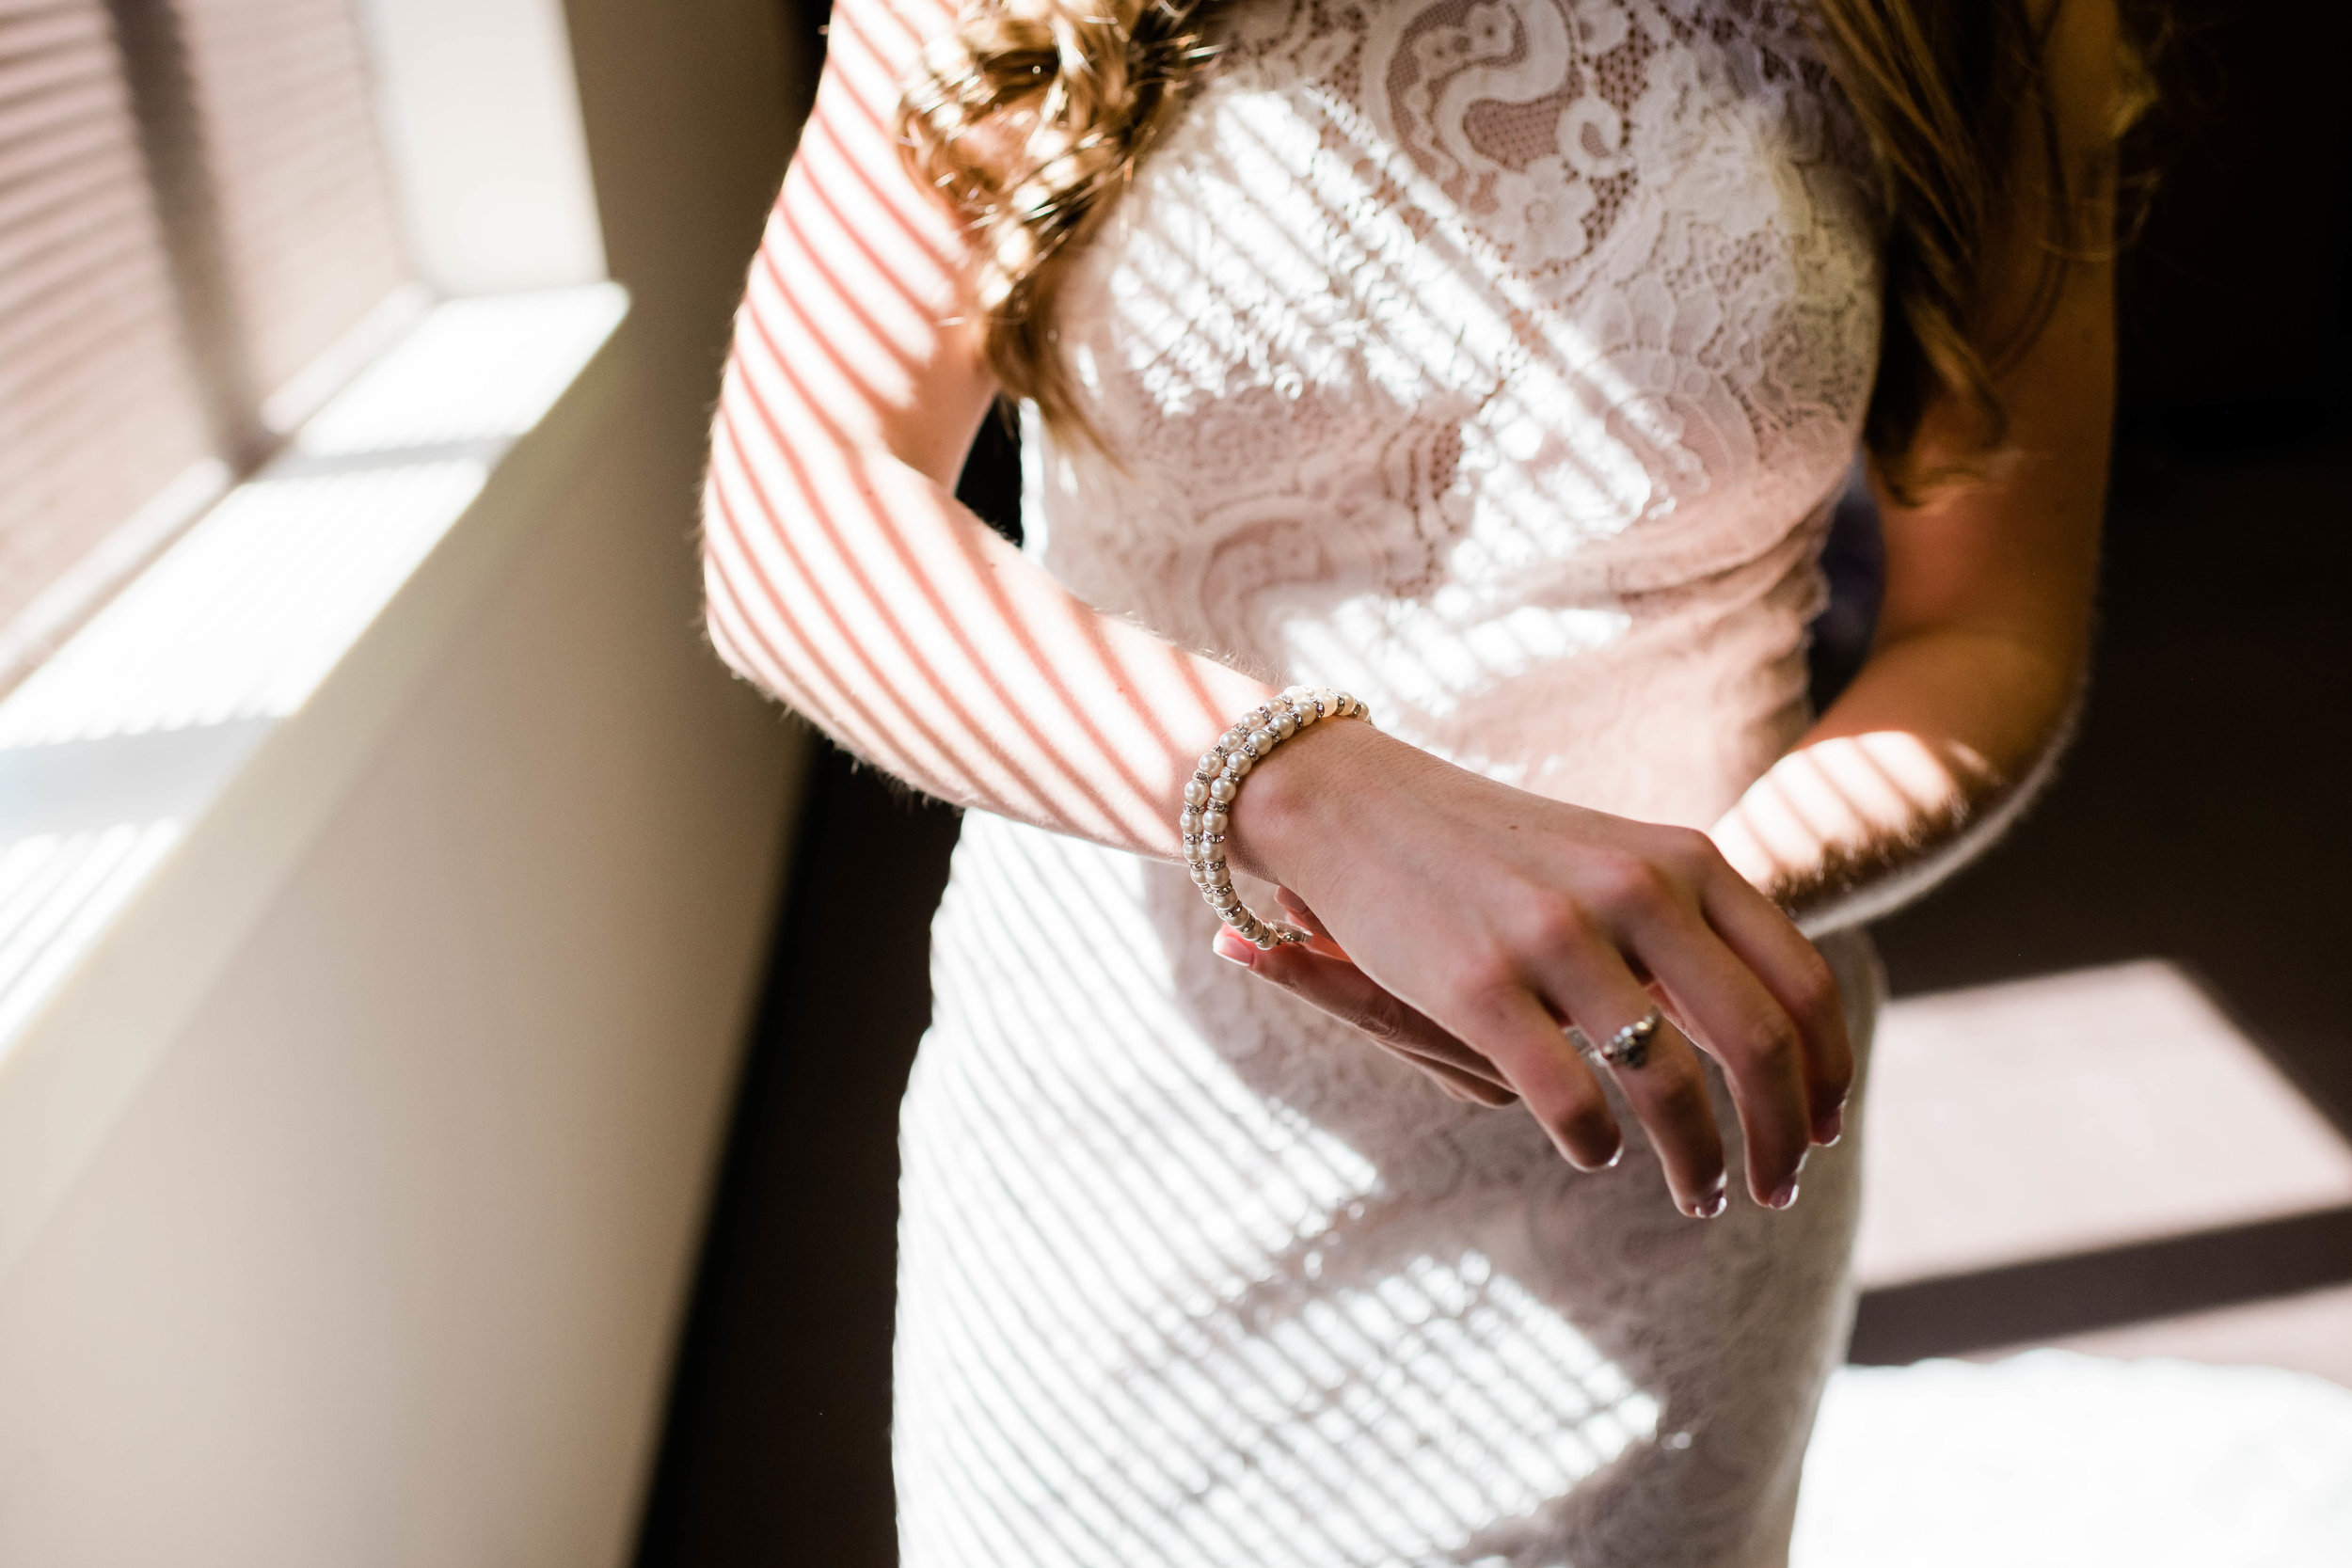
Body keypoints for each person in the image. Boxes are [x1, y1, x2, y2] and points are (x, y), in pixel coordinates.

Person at [700, 0, 2125, 1559]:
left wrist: (1671, 929)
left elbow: (1988, 623)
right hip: (1128, 1137)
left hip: (1653, 1143)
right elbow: (796, 512)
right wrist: (1299, 791)